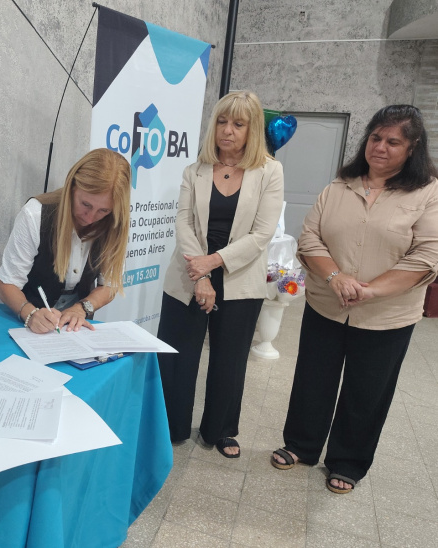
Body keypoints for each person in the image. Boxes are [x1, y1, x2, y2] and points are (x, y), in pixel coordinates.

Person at [271, 105, 438, 494]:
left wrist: (370, 290)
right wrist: (337, 277)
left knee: (368, 390)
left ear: (413, 147)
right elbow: (310, 238)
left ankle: (347, 461)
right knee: (313, 379)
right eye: (375, 138)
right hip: (327, 303)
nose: (380, 147)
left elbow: (428, 255)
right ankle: (301, 445)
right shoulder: (340, 185)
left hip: (386, 314)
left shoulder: (428, 192)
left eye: (392, 141)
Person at [157, 91, 284, 457]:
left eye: (238, 124)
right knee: (178, 356)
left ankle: (222, 429)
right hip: (188, 273)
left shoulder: (270, 171)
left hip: (240, 277)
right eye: (223, 122)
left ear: (252, 130)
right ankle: (171, 425)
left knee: (230, 361)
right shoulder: (194, 170)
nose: (228, 131)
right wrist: (200, 274)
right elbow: (183, 223)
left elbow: (262, 233)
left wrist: (213, 263)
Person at [0, 148, 131, 334]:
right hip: (28, 324)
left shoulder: (114, 222)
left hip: (76, 329)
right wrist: (30, 314)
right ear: (72, 187)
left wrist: (82, 308)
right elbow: (7, 285)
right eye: (85, 204)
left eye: (103, 211)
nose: (91, 218)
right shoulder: (36, 214)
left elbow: (109, 285)